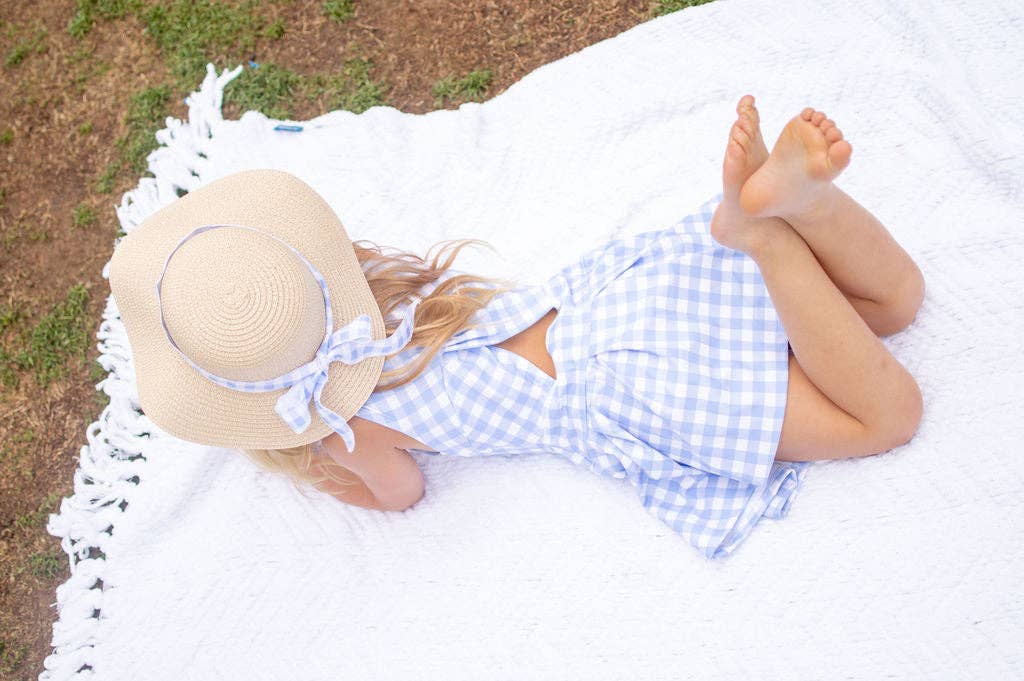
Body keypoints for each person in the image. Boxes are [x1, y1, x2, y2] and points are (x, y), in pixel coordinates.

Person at [108, 95, 924, 559]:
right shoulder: (388, 298)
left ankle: (769, 239)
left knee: (886, 416)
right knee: (892, 308)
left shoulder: (339, 428)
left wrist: (329, 472)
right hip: (619, 296)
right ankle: (803, 211)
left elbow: (402, 496)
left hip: (630, 383)